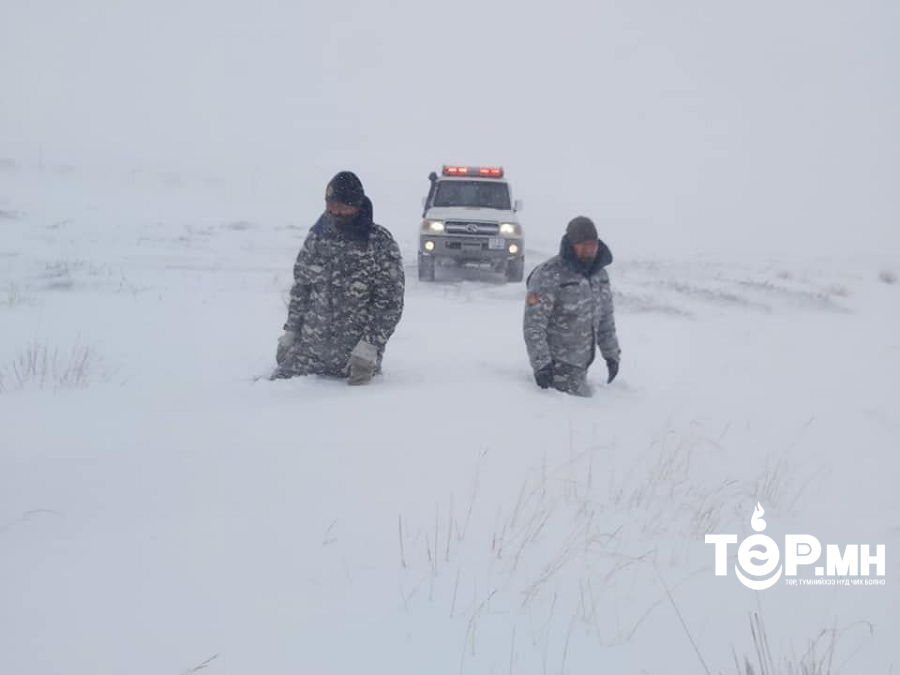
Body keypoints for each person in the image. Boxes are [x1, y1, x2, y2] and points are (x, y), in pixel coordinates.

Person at [273, 171, 405, 385]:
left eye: (341, 205)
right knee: (271, 392)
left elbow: (390, 302)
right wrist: (291, 332)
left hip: (354, 358)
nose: (334, 211)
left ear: (356, 204)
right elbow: (302, 289)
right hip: (309, 353)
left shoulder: (379, 242)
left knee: (345, 411)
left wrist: (369, 347)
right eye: (330, 204)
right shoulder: (317, 237)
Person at [522, 216, 621, 396]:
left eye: (592, 244)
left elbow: (606, 320)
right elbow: (534, 325)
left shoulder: (600, 275)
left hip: (582, 368)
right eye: (583, 245)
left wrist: (611, 355)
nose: (589, 250)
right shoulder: (548, 275)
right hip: (555, 371)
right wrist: (541, 365)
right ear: (570, 244)